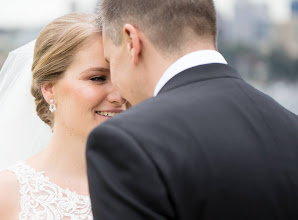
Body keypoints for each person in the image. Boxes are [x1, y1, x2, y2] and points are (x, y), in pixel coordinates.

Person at [86, 0, 298, 219]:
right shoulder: (292, 126)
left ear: (132, 41)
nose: (117, 94)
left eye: (111, 61)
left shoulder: (127, 142)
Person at [0, 13, 126, 219]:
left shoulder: (157, 182)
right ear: (49, 89)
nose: (119, 96)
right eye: (97, 78)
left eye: (123, 76)